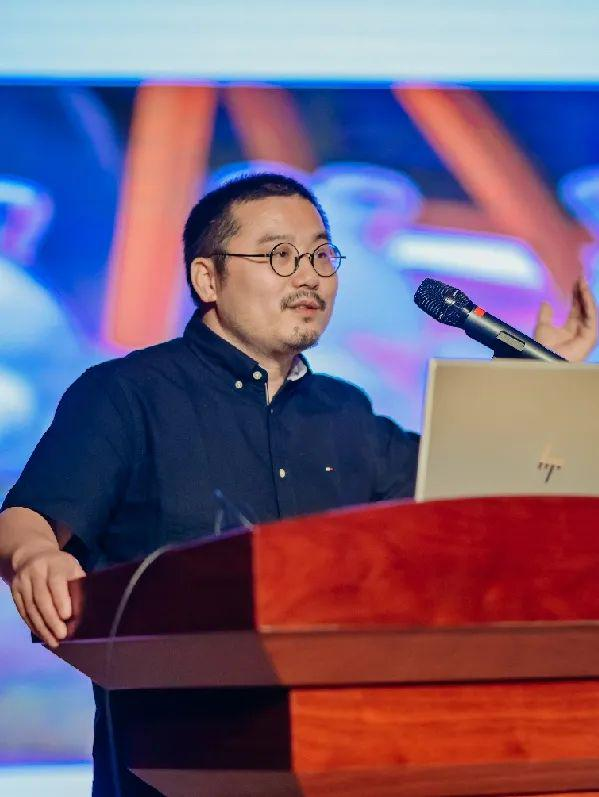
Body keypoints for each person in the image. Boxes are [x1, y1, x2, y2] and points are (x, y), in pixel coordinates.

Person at [0, 173, 597, 795]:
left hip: (344, 764)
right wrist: (35, 556)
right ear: (208, 279)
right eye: (280, 256)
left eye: (320, 256)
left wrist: (535, 383)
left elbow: (462, 492)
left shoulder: (347, 412)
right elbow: (29, 516)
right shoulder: (128, 393)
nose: (308, 276)